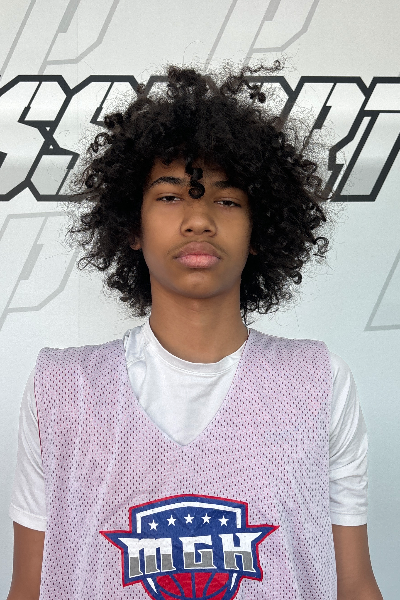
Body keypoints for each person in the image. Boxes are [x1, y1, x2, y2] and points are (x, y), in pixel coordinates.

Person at [7, 65, 382, 600]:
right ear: (132, 226)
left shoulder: (319, 381)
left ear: (259, 230)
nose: (199, 220)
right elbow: (29, 586)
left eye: (226, 200)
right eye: (170, 196)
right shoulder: (62, 388)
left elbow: (355, 584)